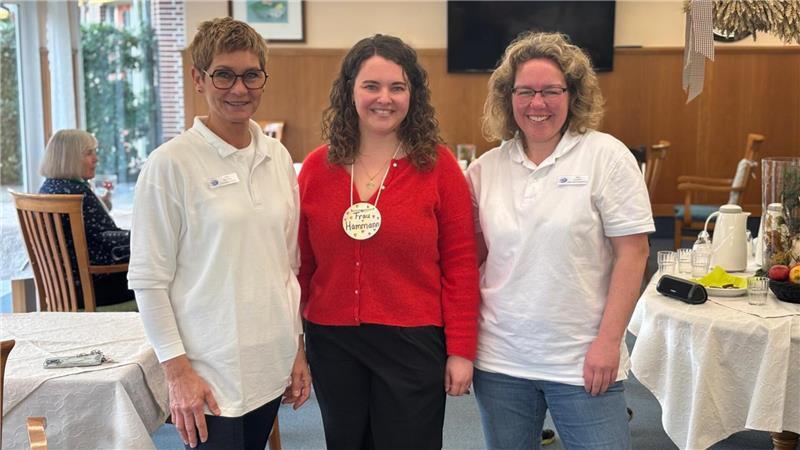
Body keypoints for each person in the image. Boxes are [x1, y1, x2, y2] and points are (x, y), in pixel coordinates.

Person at [466, 32, 653, 450]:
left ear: (573, 94)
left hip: (583, 362)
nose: (537, 104)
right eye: (526, 92)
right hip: (500, 361)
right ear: (507, 97)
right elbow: (470, 259)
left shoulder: (607, 156)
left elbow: (634, 253)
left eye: (551, 91)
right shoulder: (485, 169)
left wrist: (608, 344)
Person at [128, 17, 309, 449]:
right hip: (207, 373)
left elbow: (288, 265)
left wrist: (296, 348)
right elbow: (148, 281)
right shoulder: (170, 164)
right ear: (198, 78)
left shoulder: (278, 157)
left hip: (268, 363)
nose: (239, 89)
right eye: (224, 74)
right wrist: (177, 372)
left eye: (251, 75)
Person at [297, 34, 479, 450]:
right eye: (371, 86)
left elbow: (461, 263)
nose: (385, 98)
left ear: (413, 95)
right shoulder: (316, 168)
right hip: (333, 340)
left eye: (398, 87)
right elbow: (302, 266)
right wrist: (295, 344)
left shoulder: (437, 166)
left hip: (412, 342)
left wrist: (461, 350)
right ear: (350, 92)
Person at [39, 129, 133, 308]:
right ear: (70, 158)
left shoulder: (49, 188)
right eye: (89, 153)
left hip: (64, 289)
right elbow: (106, 239)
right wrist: (145, 235)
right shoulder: (78, 193)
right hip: (93, 288)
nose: (96, 159)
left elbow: (92, 233)